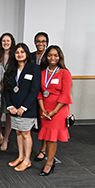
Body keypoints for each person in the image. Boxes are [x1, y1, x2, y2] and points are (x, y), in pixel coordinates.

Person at [4, 43, 40, 172]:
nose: (19, 54)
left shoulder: (34, 68)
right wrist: (10, 106)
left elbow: (34, 90)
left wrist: (23, 107)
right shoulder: (11, 69)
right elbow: (7, 90)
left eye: (22, 52)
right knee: (18, 132)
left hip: (27, 109)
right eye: (17, 52)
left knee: (26, 133)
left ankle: (27, 160)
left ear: (26, 54)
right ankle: (20, 157)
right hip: (14, 108)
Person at [37, 45, 72, 176]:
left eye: (56, 55)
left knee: (52, 138)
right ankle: (48, 159)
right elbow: (40, 93)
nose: (53, 58)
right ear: (46, 57)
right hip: (44, 109)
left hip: (58, 110)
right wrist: (43, 109)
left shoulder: (64, 73)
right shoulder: (42, 73)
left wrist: (53, 111)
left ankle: (49, 163)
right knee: (47, 135)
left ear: (60, 57)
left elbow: (65, 95)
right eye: (50, 55)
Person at [0, 33, 16, 152]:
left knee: (8, 115)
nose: (5, 43)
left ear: (12, 42)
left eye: (8, 41)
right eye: (3, 41)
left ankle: (6, 138)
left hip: (10, 90)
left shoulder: (15, 56)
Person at [31, 32, 49, 162]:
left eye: (43, 41)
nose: (40, 44)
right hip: (32, 91)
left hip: (45, 92)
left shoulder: (50, 56)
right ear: (34, 42)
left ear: (47, 42)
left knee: (44, 122)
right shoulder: (31, 56)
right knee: (30, 121)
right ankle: (27, 148)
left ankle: (43, 150)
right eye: (38, 41)